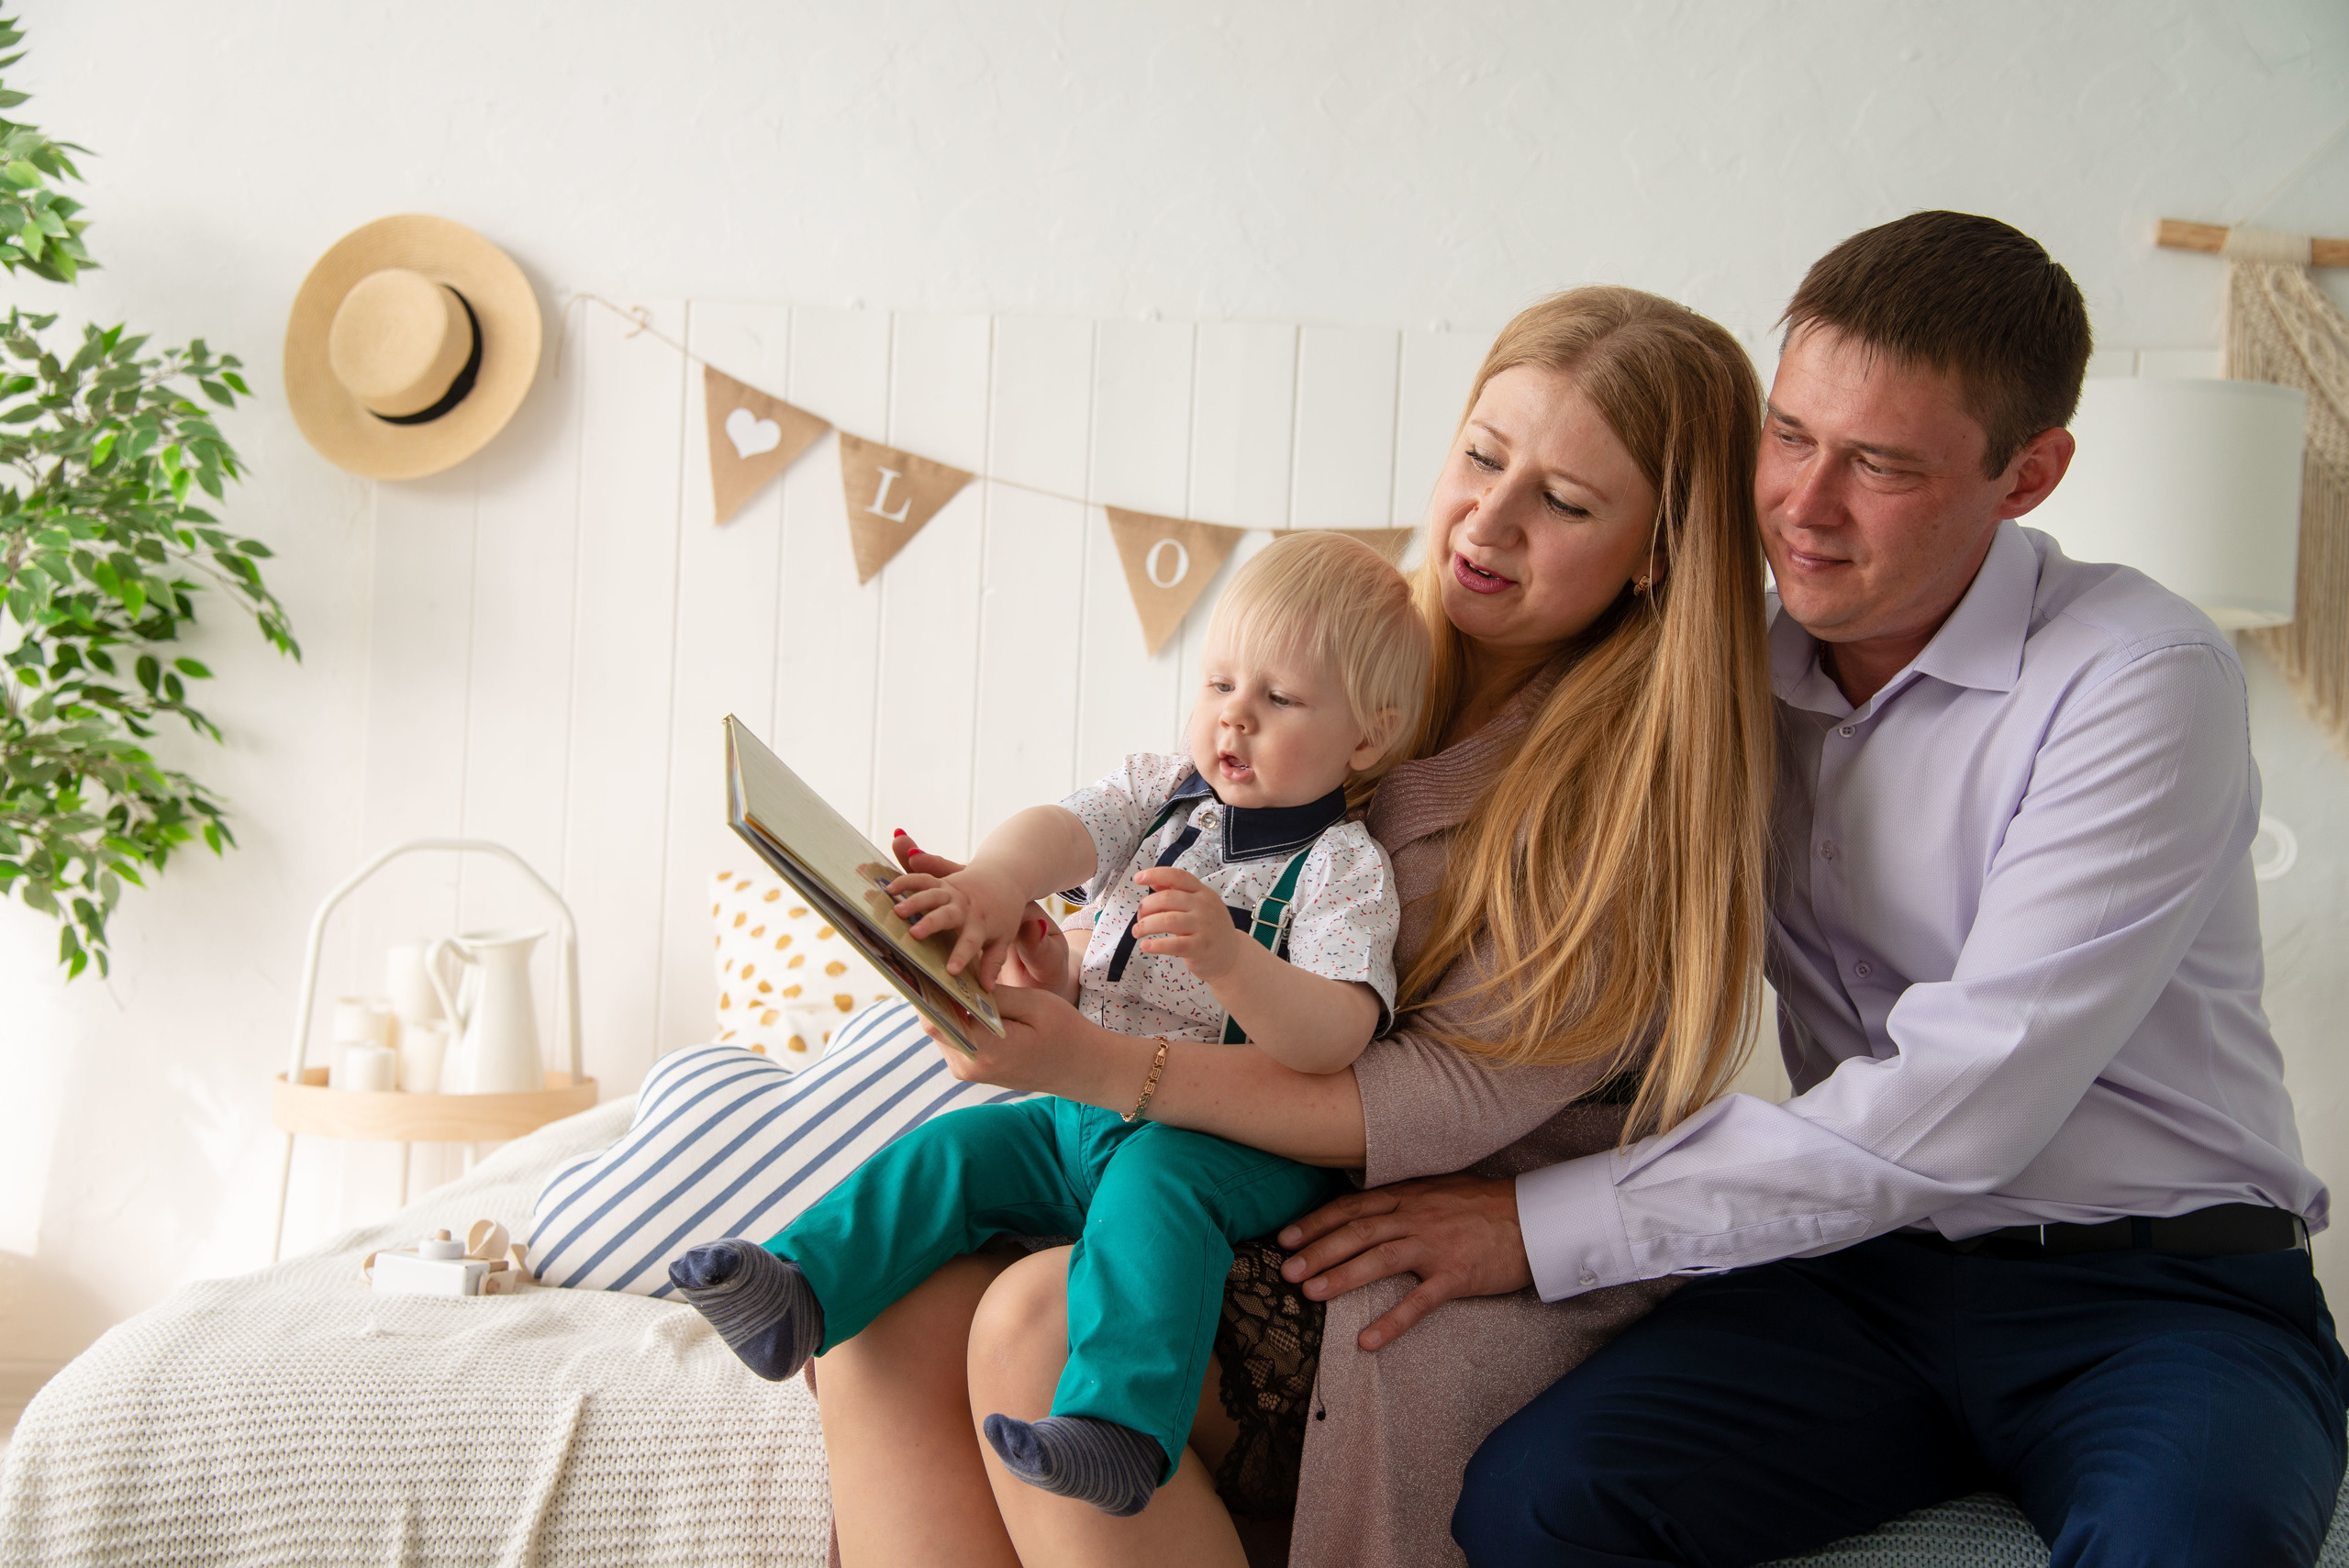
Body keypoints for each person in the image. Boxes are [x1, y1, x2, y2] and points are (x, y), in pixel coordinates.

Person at [1287, 212, 2349, 1567]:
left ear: (2031, 472)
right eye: (1788, 435)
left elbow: (1962, 1104)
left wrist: (1542, 1227)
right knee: (1542, 1498)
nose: (1803, 502)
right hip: (1865, 1289)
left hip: (2162, 1291)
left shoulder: (2138, 677)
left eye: (1881, 465)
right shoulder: (1723, 680)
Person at [812, 285, 1778, 1568]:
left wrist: (1090, 1064)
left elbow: (1402, 1096)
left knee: (1037, 1327)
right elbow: (1184, 871)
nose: (1488, 522)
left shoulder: (1628, 806)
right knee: (880, 1319)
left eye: (1568, 501)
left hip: (1419, 1249)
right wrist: (1065, 963)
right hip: (1221, 1176)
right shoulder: (1341, 657)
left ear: (1658, 549)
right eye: (1484, 459)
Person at [670, 531, 1429, 1518]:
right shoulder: (1161, 792)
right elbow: (1061, 828)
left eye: (1278, 699)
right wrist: (999, 888)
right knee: (961, 1147)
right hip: (1087, 1110)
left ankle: (1117, 1428)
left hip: (1229, 1142)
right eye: (1218, 684)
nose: (1232, 717)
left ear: (1364, 740)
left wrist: (1233, 960)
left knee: (1156, 1192)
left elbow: (1335, 1036)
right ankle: (801, 1286)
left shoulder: (1341, 867)